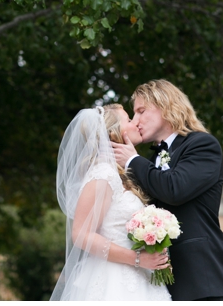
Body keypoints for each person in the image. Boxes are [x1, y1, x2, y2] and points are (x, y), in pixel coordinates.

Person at [111, 80, 223, 301]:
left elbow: (174, 189)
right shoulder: (149, 161)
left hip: (200, 281)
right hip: (158, 285)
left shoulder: (203, 146)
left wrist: (132, 159)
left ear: (165, 106)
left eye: (141, 111)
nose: (136, 120)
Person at [51, 104, 171, 301]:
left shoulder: (119, 173)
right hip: (113, 280)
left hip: (137, 276)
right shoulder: (103, 173)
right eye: (129, 120)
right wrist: (138, 259)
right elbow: (81, 235)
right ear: (116, 132)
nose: (136, 123)